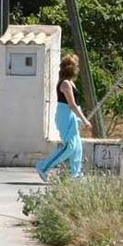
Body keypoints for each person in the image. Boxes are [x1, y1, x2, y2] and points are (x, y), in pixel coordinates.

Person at [36, 54, 89, 182]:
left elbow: (75, 105)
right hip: (65, 116)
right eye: (76, 66)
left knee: (77, 147)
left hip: (71, 116)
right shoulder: (65, 83)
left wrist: (79, 118)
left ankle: (75, 175)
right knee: (69, 146)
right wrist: (84, 120)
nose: (77, 69)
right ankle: (43, 166)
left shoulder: (71, 82)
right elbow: (72, 104)